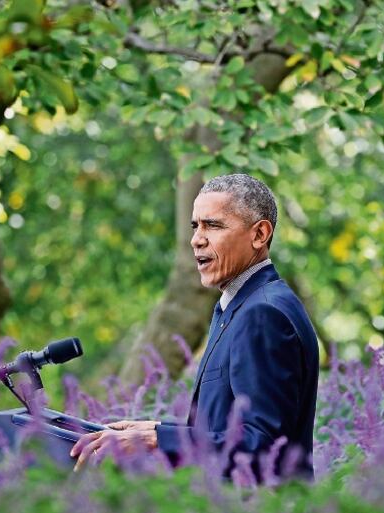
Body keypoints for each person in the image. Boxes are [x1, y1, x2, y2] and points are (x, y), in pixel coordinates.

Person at [70, 174, 319, 482]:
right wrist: (152, 430)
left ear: (259, 234)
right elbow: (223, 434)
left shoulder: (263, 313)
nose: (197, 239)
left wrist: (157, 440)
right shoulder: (240, 306)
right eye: (195, 226)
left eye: (213, 225)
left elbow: (262, 447)